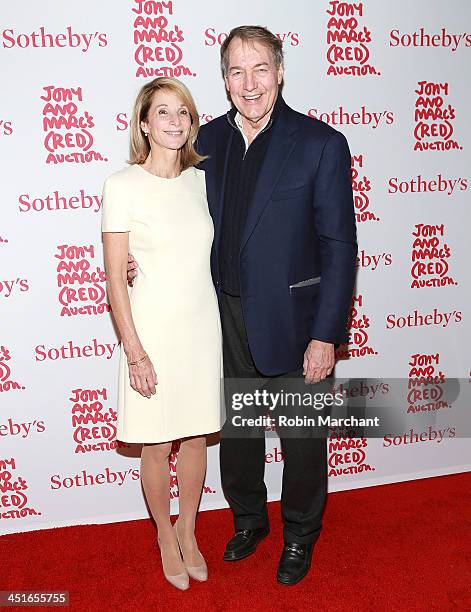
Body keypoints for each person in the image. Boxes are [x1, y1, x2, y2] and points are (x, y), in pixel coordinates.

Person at [128, 25, 357, 586]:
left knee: (302, 440)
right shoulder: (205, 142)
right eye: (236, 70)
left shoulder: (320, 143)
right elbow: (169, 213)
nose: (249, 83)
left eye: (260, 69)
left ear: (280, 71)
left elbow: (340, 246)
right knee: (239, 432)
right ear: (224, 78)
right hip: (220, 317)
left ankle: (300, 534)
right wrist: (136, 259)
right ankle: (249, 521)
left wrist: (326, 335)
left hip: (296, 323)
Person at [102, 77, 222, 591]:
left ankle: (189, 530)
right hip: (150, 330)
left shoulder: (203, 180)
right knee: (155, 444)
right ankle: (163, 536)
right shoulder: (121, 186)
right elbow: (114, 281)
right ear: (145, 124)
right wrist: (135, 351)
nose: (175, 121)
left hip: (201, 326)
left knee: (195, 438)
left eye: (183, 113)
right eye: (163, 113)